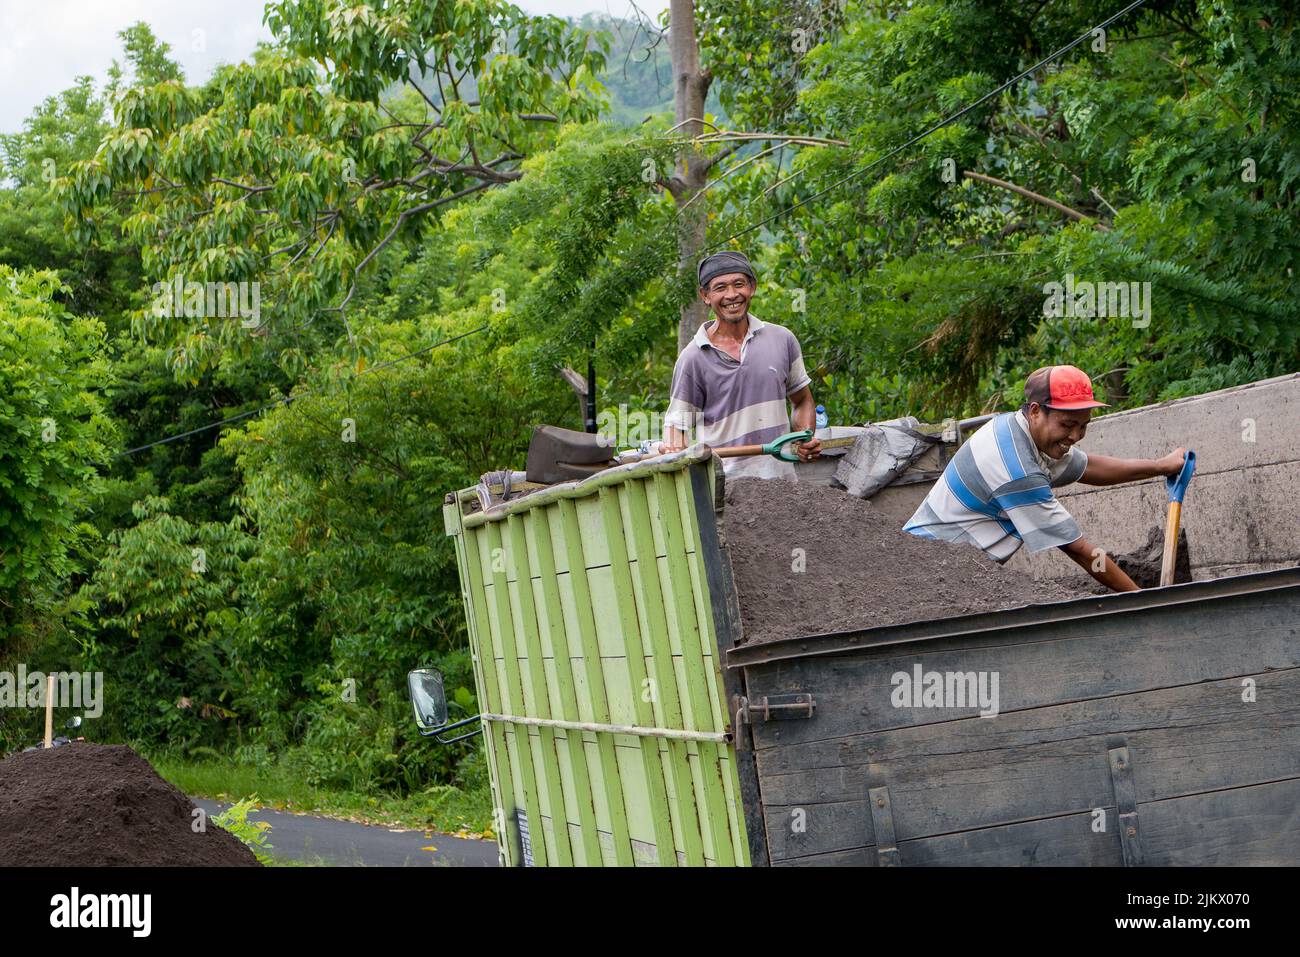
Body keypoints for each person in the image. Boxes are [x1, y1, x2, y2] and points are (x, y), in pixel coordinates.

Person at [903, 365, 1188, 591]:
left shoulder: (1020, 433)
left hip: (949, 575)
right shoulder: (1016, 468)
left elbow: (1090, 468)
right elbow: (1080, 551)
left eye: (1083, 426)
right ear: (1036, 411)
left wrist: (1162, 465)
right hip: (926, 575)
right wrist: (1142, 601)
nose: (1075, 437)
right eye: (1067, 425)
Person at [660, 251, 820, 479]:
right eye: (720, 288)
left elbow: (802, 400)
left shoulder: (782, 339)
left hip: (783, 487)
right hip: (725, 492)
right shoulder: (693, 358)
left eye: (739, 284)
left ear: (752, 287)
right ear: (705, 295)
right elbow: (677, 425)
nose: (732, 295)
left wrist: (805, 438)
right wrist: (675, 448)